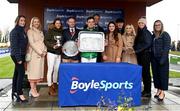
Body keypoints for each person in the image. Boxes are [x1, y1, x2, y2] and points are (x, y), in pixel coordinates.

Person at [27, 17, 47, 97]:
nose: (36, 23)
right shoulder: (30, 31)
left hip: (41, 55)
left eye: (37, 22)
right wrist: (40, 52)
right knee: (33, 73)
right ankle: (32, 89)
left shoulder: (41, 32)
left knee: (37, 73)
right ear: (32, 23)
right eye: (34, 22)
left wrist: (44, 51)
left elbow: (43, 42)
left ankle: (34, 89)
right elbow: (32, 43)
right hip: (34, 54)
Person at [151, 20, 171, 101]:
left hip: (162, 59)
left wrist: (162, 59)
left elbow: (166, 48)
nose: (157, 26)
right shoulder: (154, 35)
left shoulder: (165, 34)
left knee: (162, 76)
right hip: (154, 59)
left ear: (161, 25)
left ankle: (162, 92)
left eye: (159, 25)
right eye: (156, 25)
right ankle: (158, 90)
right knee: (156, 75)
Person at [10, 15, 28, 102]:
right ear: (17, 21)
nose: (23, 22)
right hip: (17, 55)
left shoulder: (23, 31)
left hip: (22, 55)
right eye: (21, 20)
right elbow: (14, 46)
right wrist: (18, 58)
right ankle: (20, 94)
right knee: (21, 73)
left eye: (24, 21)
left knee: (16, 73)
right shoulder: (15, 31)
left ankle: (14, 91)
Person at [134, 17, 152, 98]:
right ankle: (145, 90)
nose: (141, 24)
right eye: (139, 23)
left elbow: (147, 44)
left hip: (145, 55)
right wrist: (134, 48)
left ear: (145, 24)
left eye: (142, 23)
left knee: (146, 73)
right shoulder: (140, 32)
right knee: (143, 73)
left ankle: (148, 91)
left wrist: (137, 51)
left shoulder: (147, 33)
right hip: (140, 55)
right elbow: (137, 43)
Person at [44, 18, 62, 96]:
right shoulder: (50, 31)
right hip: (51, 52)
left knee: (56, 70)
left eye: (59, 23)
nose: (58, 24)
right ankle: (50, 86)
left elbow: (62, 42)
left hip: (58, 54)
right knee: (50, 69)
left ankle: (55, 84)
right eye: (57, 23)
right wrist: (52, 46)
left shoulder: (61, 32)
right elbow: (45, 41)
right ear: (54, 24)